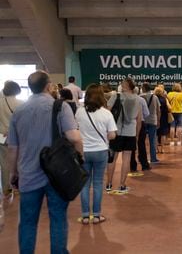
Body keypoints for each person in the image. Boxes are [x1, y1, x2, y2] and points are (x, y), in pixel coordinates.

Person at [7, 71, 83, 253]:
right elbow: (74, 137)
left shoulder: (18, 112)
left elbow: (13, 148)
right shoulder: (60, 107)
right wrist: (80, 158)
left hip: (28, 174)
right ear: (48, 86)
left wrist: (13, 173)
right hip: (57, 175)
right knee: (57, 218)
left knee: (27, 221)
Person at [75, 84, 117, 224]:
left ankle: (85, 215)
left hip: (83, 151)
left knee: (85, 184)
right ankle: (97, 215)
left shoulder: (80, 112)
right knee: (98, 183)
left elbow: (75, 130)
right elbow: (112, 135)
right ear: (101, 96)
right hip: (100, 151)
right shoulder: (106, 113)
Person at [106, 78, 142, 192]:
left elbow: (107, 113)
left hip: (116, 131)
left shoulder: (115, 96)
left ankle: (109, 184)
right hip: (130, 132)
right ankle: (122, 185)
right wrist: (136, 135)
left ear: (123, 86)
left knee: (112, 158)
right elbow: (139, 119)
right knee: (126, 159)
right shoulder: (138, 99)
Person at [0, 81, 23, 195]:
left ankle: (6, 189)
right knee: (19, 162)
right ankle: (17, 187)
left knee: (4, 164)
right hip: (18, 138)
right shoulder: (21, 103)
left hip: (2, 138)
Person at [141, 82, 161, 163]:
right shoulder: (155, 97)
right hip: (153, 120)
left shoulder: (140, 97)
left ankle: (142, 158)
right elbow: (158, 110)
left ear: (143, 88)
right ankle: (153, 158)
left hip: (143, 120)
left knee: (141, 141)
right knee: (152, 140)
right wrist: (158, 120)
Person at [155, 86, 169, 154]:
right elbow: (167, 109)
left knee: (155, 134)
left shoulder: (153, 99)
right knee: (163, 134)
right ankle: (162, 149)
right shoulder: (164, 99)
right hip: (163, 118)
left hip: (155, 118)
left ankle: (156, 149)